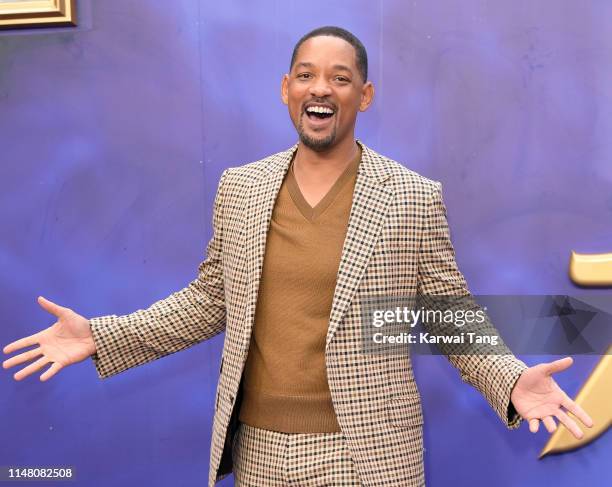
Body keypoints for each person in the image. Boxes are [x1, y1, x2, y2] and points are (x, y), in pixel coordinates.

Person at [2, 26, 593, 487]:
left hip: (368, 457)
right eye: (306, 75)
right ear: (286, 89)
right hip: (258, 450)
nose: (321, 88)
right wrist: (101, 337)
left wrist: (510, 380)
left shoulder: (411, 195)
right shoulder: (241, 188)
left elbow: (444, 312)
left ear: (364, 95)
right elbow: (210, 301)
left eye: (339, 78)